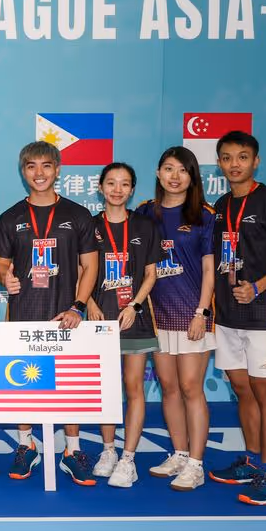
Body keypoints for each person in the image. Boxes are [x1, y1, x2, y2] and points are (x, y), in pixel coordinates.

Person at [0, 141, 98, 485]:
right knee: (23, 381)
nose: (39, 173)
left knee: (69, 384)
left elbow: (90, 266)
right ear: (23, 171)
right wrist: (4, 278)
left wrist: (78, 306)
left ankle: (72, 450)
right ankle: (27, 445)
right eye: (31, 166)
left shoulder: (77, 215)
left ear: (57, 170)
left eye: (46, 166)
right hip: (24, 313)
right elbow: (1, 266)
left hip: (66, 315)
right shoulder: (11, 217)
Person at [207, 131, 266, 506]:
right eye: (227, 157)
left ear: (256, 161)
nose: (235, 164)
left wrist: (259, 287)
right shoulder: (221, 204)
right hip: (228, 315)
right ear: (219, 162)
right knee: (242, 389)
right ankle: (251, 461)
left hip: (265, 314)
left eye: (243, 157)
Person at [134, 147, 216, 491]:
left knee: (190, 388)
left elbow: (210, 270)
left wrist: (202, 312)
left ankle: (196, 464)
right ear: (158, 173)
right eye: (168, 168)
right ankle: (180, 453)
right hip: (156, 316)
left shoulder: (205, 215)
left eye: (183, 170)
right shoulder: (145, 212)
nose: (175, 176)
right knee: (168, 387)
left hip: (191, 315)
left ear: (192, 177)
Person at [86, 163, 160, 488]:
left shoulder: (145, 226)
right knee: (105, 389)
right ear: (100, 187)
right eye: (111, 183)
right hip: (99, 319)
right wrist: (88, 303)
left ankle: (128, 459)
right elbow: (80, 272)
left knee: (133, 388)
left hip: (134, 319)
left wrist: (135, 305)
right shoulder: (89, 226)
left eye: (125, 184)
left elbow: (151, 274)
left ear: (132, 189)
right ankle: (108, 451)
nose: (117, 190)